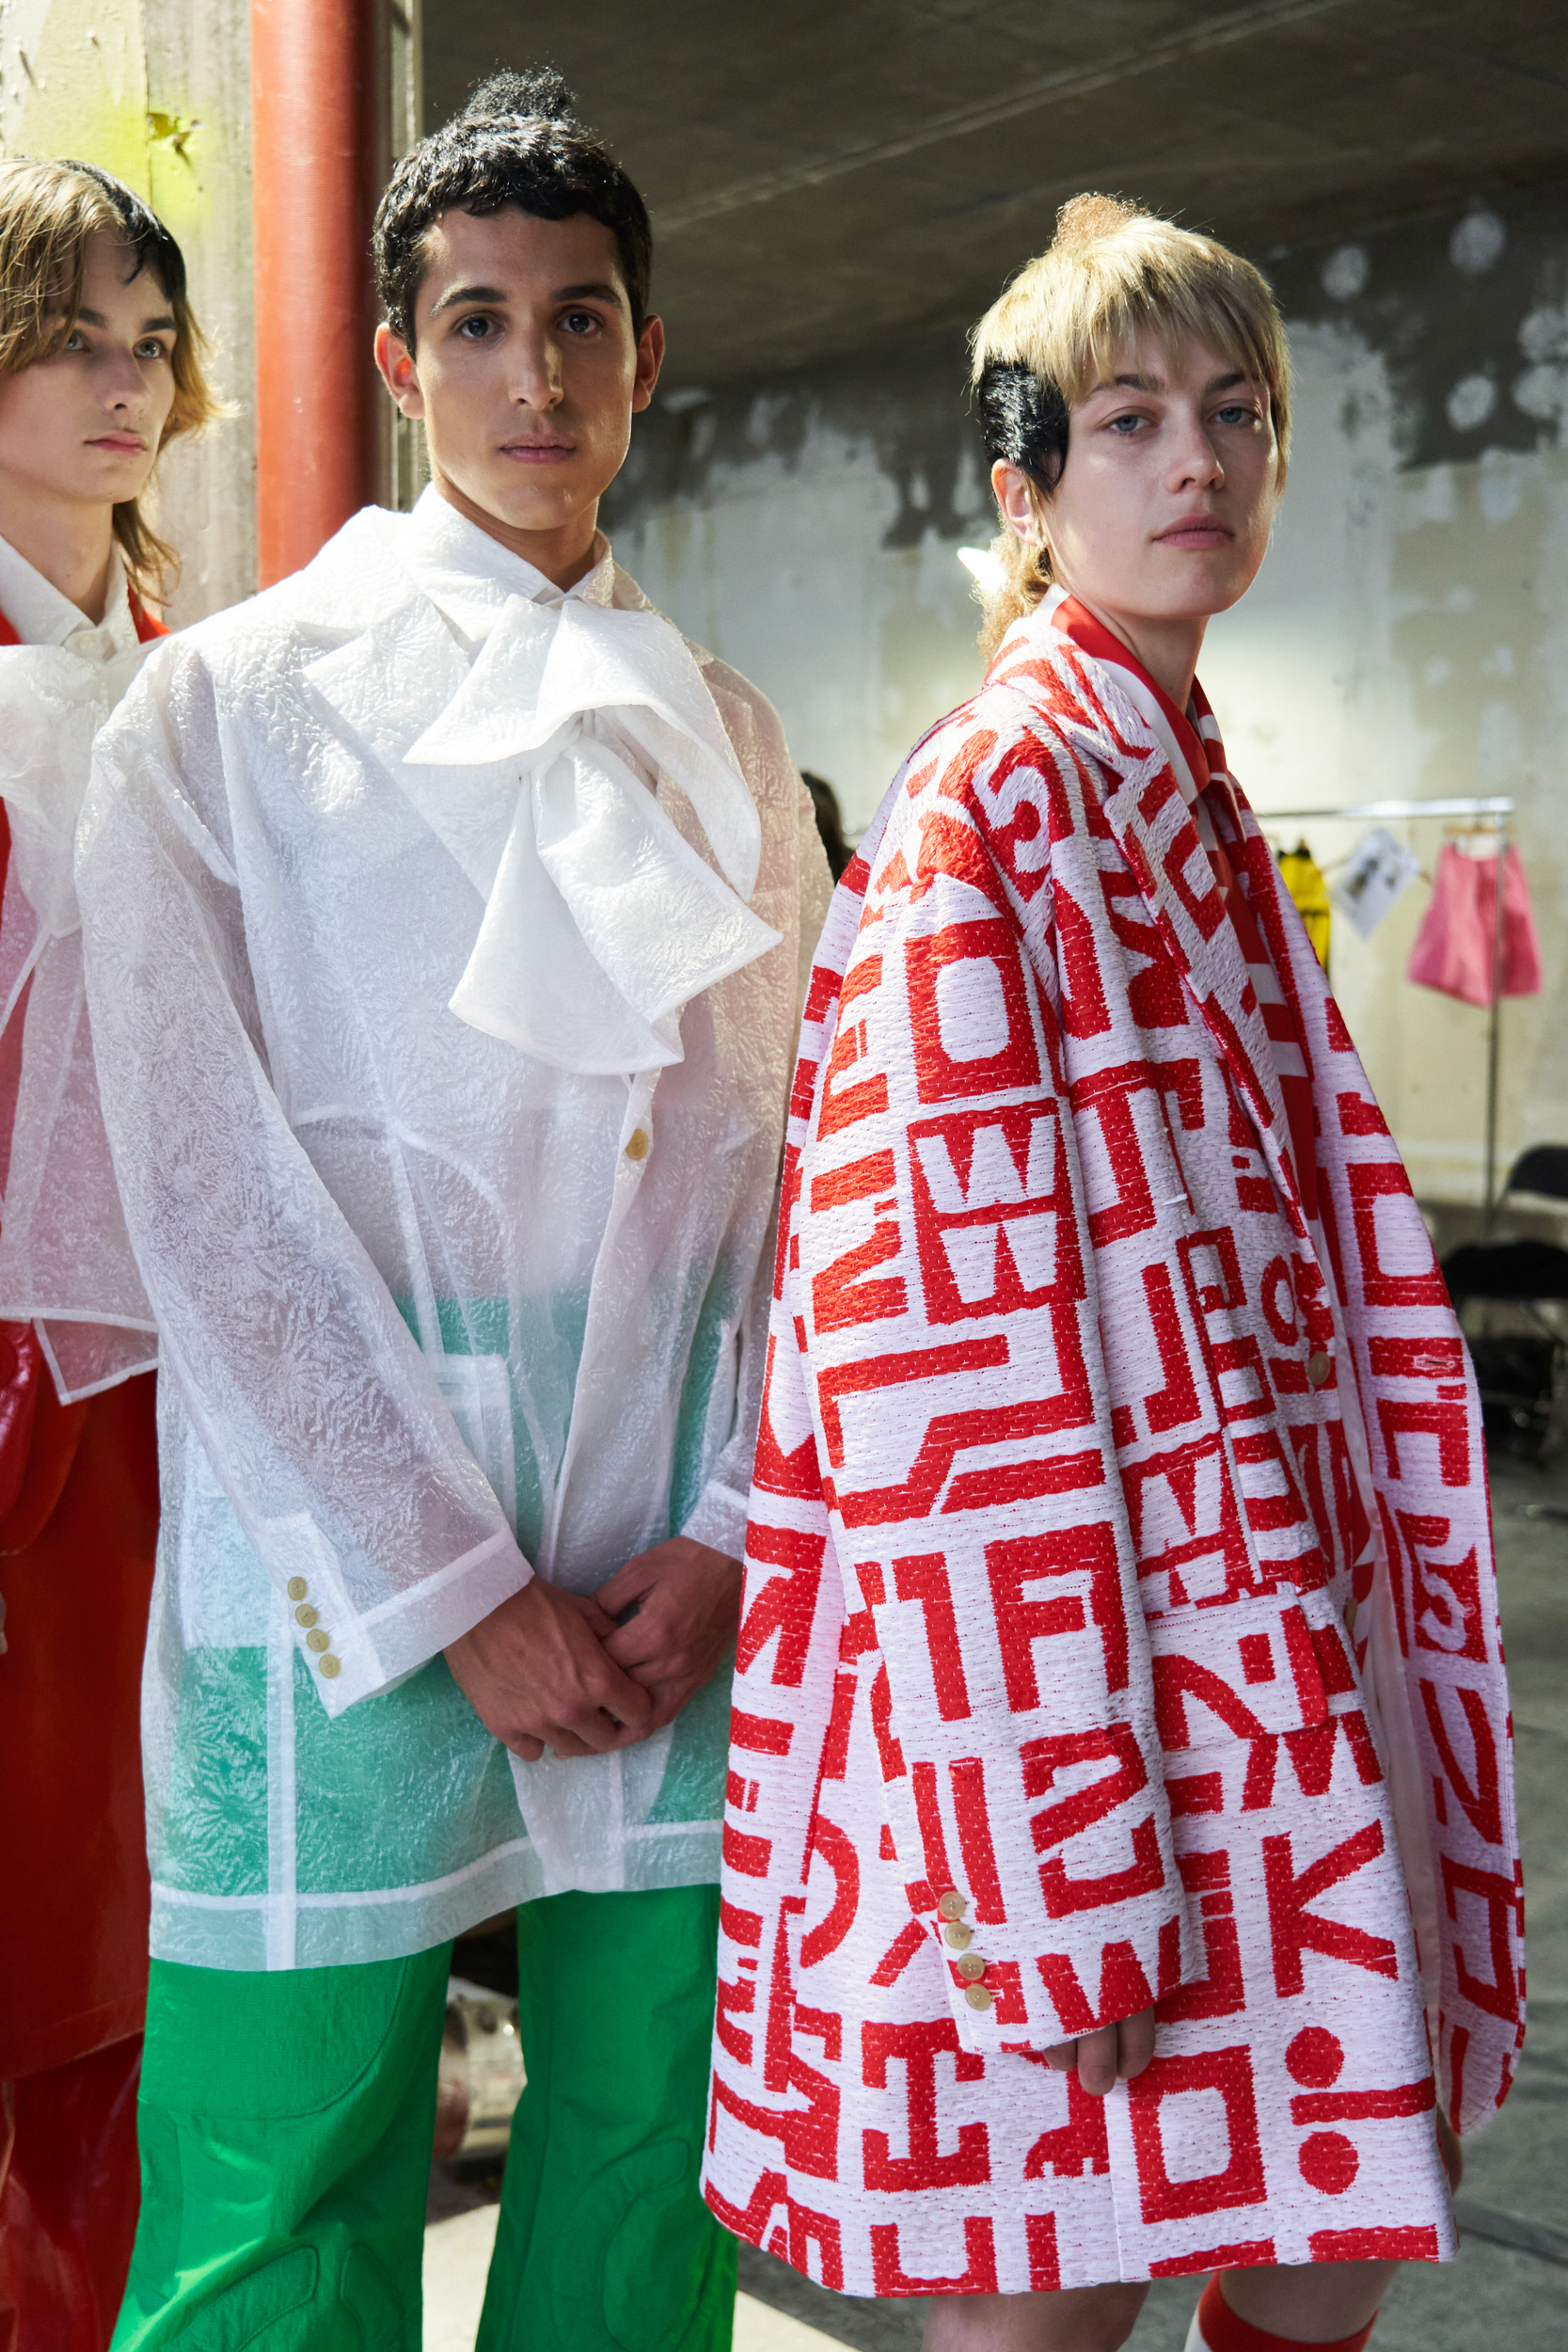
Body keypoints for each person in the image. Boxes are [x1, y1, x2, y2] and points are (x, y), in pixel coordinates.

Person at [703, 196, 1521, 2352]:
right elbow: (916, 1340)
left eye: (1238, 414)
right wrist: (1045, 1858)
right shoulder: (991, 799)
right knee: (1049, 2275)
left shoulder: (1187, 783)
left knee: (1320, 2218)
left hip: (1250, 1663)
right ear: (1023, 488)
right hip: (1071, 1706)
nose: (1200, 465)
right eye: (1129, 418)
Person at [85, 68, 830, 2352]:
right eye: (482, 324)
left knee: (651, 2131)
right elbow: (195, 1187)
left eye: (582, 322)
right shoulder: (220, 711)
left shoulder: (722, 727)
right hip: (344, 1530)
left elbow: (807, 1172)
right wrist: (449, 1583)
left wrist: (727, 1517)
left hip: (662, 1531)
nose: (538, 376)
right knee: (280, 2160)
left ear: (645, 358)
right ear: (401, 362)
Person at [0, 159, 216, 2350]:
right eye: (72, 332)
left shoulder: (178, 675)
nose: (123, 380)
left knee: (132, 1988)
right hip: (20, 1424)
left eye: (149, 339)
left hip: (188, 1410)